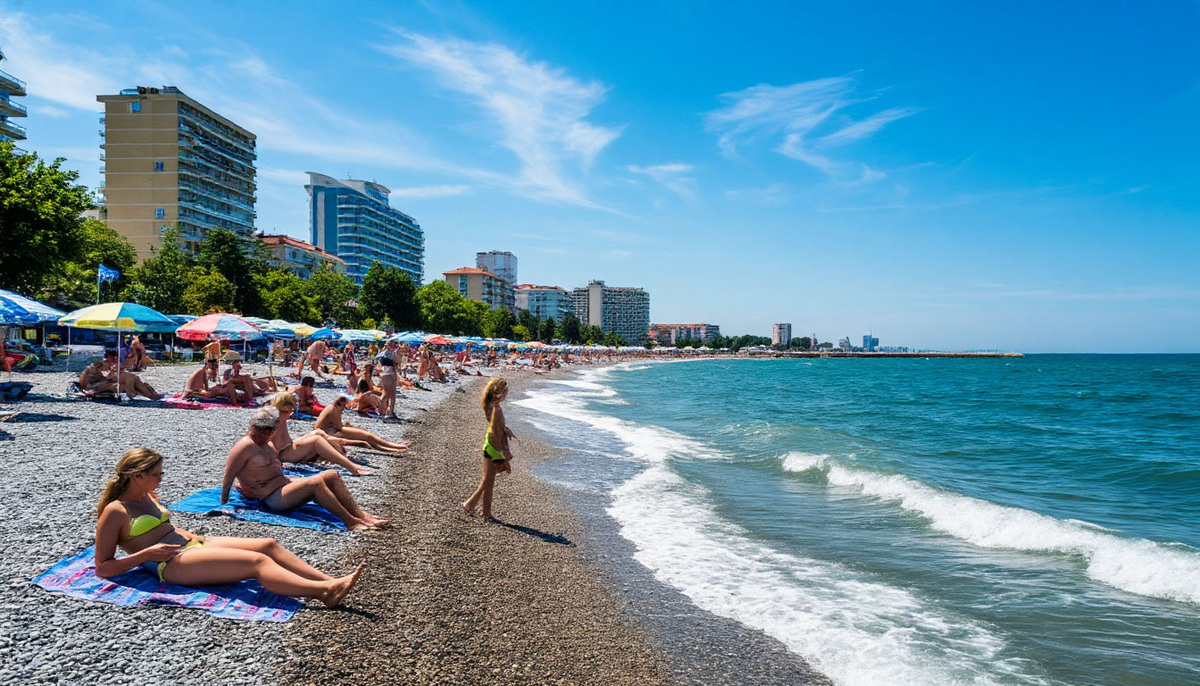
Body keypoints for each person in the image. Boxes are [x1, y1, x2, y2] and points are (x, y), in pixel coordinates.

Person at [95, 448, 363, 607]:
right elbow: (103, 567)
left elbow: (159, 526)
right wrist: (146, 555)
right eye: (156, 474)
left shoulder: (146, 495)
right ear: (137, 475)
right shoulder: (115, 511)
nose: (161, 479)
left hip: (190, 543)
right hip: (171, 562)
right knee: (256, 563)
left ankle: (327, 580)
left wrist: (185, 534)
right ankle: (324, 593)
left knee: (268, 545)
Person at [221, 408, 388, 531]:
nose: (262, 437)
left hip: (283, 485)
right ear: (252, 428)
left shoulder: (268, 443)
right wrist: (224, 504)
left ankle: (361, 515)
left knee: (331, 475)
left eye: (267, 433)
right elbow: (228, 478)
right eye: (259, 433)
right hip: (270, 497)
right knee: (315, 483)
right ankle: (350, 522)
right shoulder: (244, 447)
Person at [270, 393, 373, 476]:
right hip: (284, 454)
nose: (292, 413)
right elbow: (266, 442)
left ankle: (344, 448)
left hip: (289, 448)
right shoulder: (274, 421)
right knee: (316, 440)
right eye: (291, 410)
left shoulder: (280, 418)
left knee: (318, 433)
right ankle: (352, 467)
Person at [462, 378, 515, 520]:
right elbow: (495, 433)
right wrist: (502, 454)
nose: (506, 395)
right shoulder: (496, 409)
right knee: (488, 483)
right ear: (498, 393)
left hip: (490, 444)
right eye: (505, 392)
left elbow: (496, 427)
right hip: (493, 447)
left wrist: (505, 429)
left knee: (486, 480)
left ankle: (470, 504)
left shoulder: (490, 405)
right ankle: (485, 512)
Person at [314, 395, 408, 454]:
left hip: (330, 431)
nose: (344, 408)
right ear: (339, 404)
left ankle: (393, 446)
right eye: (343, 406)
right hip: (329, 433)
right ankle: (393, 447)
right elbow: (339, 426)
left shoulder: (331, 407)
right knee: (365, 436)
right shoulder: (333, 410)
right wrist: (348, 426)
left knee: (366, 435)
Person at [376, 340, 400, 419]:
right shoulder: (389, 353)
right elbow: (396, 363)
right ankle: (382, 411)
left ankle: (389, 411)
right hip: (388, 373)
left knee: (391, 393)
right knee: (388, 393)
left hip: (387, 373)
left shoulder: (385, 353)